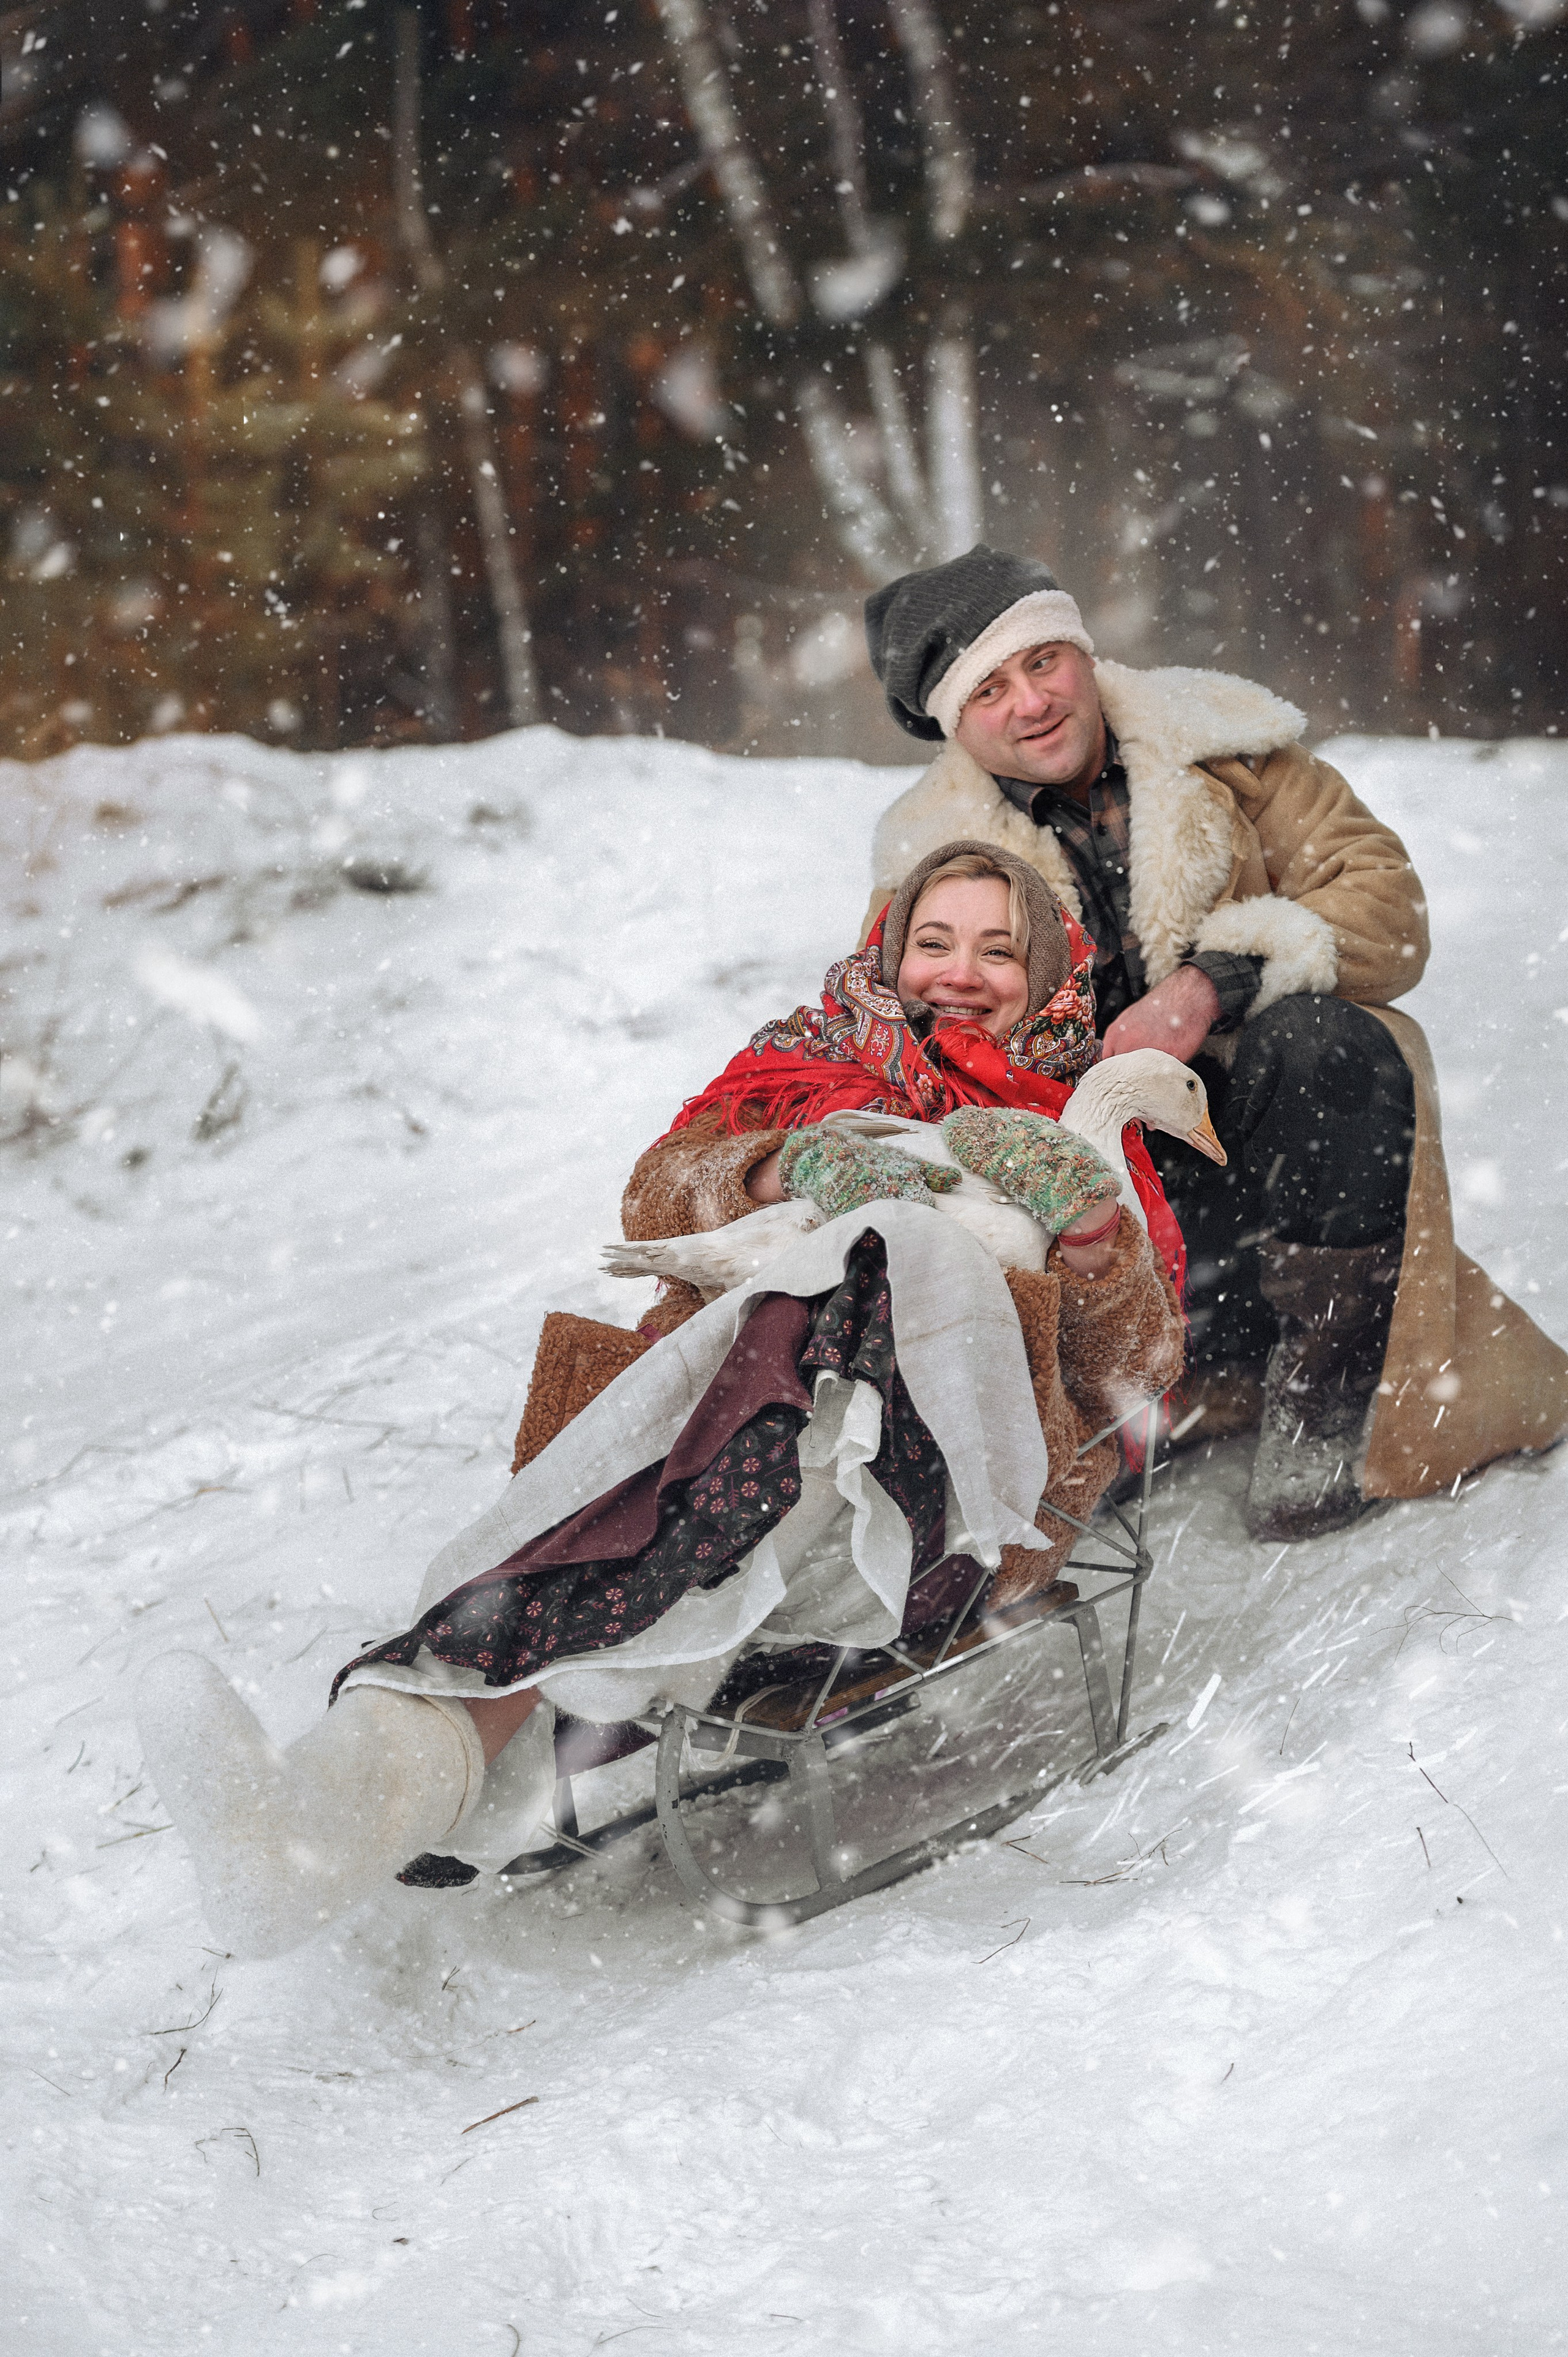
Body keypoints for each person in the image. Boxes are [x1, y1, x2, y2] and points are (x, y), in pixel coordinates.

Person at [137, 842, 1183, 1960]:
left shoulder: (1069, 1121)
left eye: (999, 951)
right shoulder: (811, 1057)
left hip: (935, 1520)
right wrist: (789, 1169)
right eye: (934, 942)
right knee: (624, 1553)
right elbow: (655, 1191)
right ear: (891, 949)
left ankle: (361, 1797)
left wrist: (1090, 1247)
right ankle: (296, 1842)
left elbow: (1142, 1364)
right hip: (731, 1467)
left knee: (899, 1254)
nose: (960, 973)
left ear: (1050, 976)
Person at [860, 545, 1568, 1539]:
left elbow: (1385, 905)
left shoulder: (1226, 748)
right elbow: (901, 1051)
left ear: (1081, 649)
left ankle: (1321, 1391)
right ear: (955, 728)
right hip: (1117, 1214)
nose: (1031, 703)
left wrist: (1211, 983)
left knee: (1329, 1042)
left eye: (1043, 663)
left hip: (1271, 1148)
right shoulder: (928, 862)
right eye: (988, 691)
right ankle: (1168, 1381)